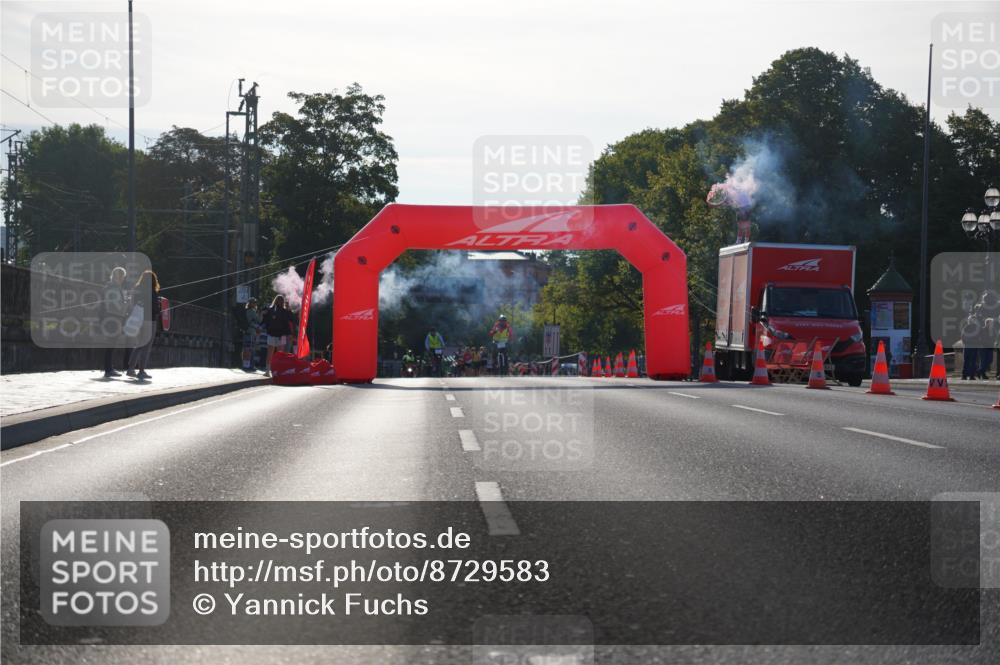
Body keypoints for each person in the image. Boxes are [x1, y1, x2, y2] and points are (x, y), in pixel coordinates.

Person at [126, 270, 162, 380]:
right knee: (146, 346)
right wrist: (159, 308)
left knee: (139, 344)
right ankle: (141, 371)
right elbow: (154, 308)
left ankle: (131, 369)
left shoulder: (137, 290)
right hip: (149, 321)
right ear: (153, 280)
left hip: (138, 320)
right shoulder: (151, 291)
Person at [101, 266, 129, 378]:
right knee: (111, 344)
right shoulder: (113, 287)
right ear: (119, 276)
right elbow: (116, 305)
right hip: (113, 318)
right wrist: (127, 303)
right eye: (122, 276)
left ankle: (109, 368)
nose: (123, 279)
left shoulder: (111, 286)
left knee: (111, 344)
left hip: (112, 317)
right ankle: (108, 369)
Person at [262, 294, 295, 376]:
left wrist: (289, 334)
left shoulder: (285, 311)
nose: (280, 301)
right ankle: (268, 371)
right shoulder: (270, 310)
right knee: (270, 353)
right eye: (278, 300)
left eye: (281, 300)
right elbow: (265, 321)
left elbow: (288, 323)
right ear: (276, 300)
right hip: (272, 333)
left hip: (282, 335)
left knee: (280, 355)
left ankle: (277, 371)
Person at [959, 306, 982, 380]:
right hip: (972, 346)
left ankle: (965, 375)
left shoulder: (966, 327)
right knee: (971, 361)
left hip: (968, 346)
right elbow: (978, 338)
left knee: (968, 361)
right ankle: (970, 376)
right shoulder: (975, 328)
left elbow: (963, 337)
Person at [243, 297, 262, 370]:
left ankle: (246, 365)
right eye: (254, 302)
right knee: (251, 349)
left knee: (246, 349)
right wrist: (261, 313)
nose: (255, 304)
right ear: (251, 303)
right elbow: (259, 320)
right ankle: (251, 366)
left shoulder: (246, 311)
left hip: (246, 331)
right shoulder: (252, 311)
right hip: (251, 332)